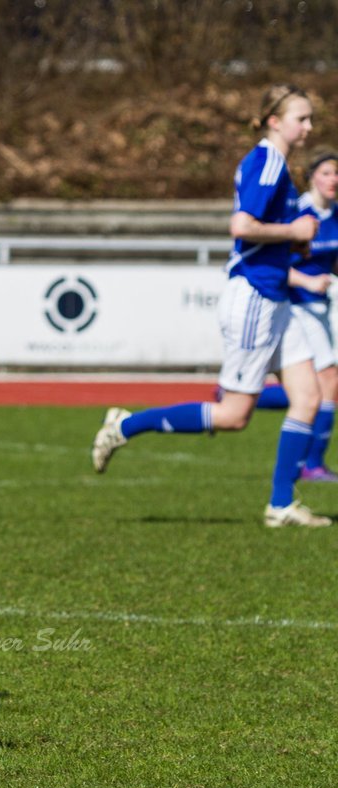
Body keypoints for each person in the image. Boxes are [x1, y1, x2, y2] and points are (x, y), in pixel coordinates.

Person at [92, 84, 330, 528]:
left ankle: (280, 506)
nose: (310, 126)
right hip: (255, 297)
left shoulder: (274, 165)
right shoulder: (267, 161)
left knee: (310, 397)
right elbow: (241, 226)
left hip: (275, 298)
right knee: (233, 415)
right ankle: (126, 425)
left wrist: (293, 245)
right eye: (303, 118)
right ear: (276, 121)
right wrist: (294, 232)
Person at [224, 152, 338, 479]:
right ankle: (312, 465)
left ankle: (288, 492)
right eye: (327, 172)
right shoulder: (299, 211)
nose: (333, 179)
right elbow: (274, 262)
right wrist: (307, 280)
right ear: (313, 176)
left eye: (337, 173)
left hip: (320, 307)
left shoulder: (336, 215)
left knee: (312, 388)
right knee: (326, 379)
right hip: (294, 305)